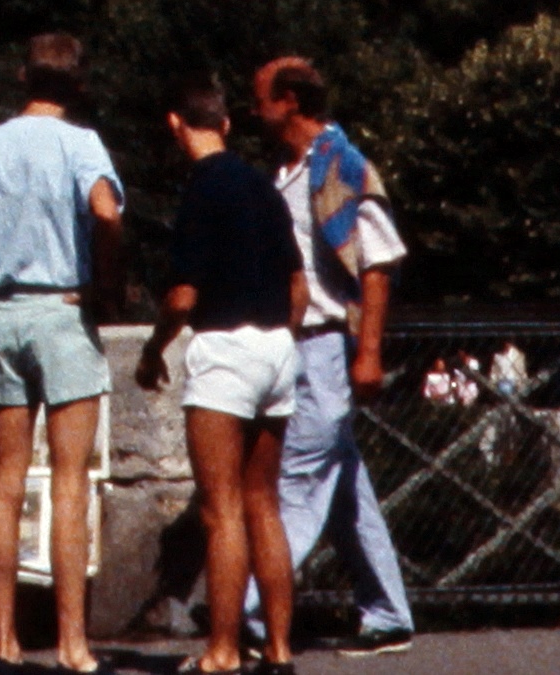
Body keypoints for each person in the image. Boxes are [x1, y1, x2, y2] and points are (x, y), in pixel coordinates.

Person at [0, 34, 128, 671]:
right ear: (77, 84)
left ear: (23, 76)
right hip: (61, 307)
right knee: (69, 483)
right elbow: (106, 213)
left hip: (4, 311)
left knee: (4, 484)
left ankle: (3, 640)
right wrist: (108, 283)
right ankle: (73, 644)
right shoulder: (81, 144)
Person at [251, 55, 415, 652]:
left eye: (262, 98)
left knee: (296, 481)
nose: (254, 109)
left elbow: (376, 263)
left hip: (325, 346)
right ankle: (388, 614)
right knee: (344, 488)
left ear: (290, 100)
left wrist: (368, 352)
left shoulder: (342, 166)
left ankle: (247, 611)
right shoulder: (287, 174)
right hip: (299, 346)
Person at [140, 81, 301, 675]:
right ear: (227, 125)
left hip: (225, 347)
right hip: (278, 346)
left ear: (175, 123)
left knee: (221, 509)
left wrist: (154, 348)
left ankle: (222, 651)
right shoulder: (263, 185)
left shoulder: (200, 191)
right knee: (265, 504)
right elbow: (298, 286)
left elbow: (183, 296)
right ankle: (280, 648)